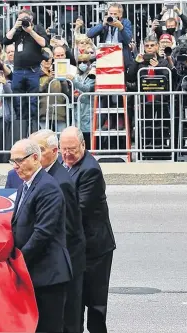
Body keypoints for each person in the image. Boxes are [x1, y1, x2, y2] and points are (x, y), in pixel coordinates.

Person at [5, 130, 86, 333]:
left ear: (35, 158)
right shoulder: (27, 184)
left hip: (48, 274)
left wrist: (19, 260)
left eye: (19, 161)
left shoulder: (48, 187)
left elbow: (43, 233)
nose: (15, 167)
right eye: (12, 162)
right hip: (35, 272)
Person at [60, 126, 116, 333]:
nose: (67, 154)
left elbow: (79, 211)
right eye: (63, 149)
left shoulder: (90, 169)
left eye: (72, 149)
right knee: (73, 304)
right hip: (76, 247)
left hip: (96, 249)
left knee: (95, 304)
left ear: (83, 145)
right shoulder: (62, 163)